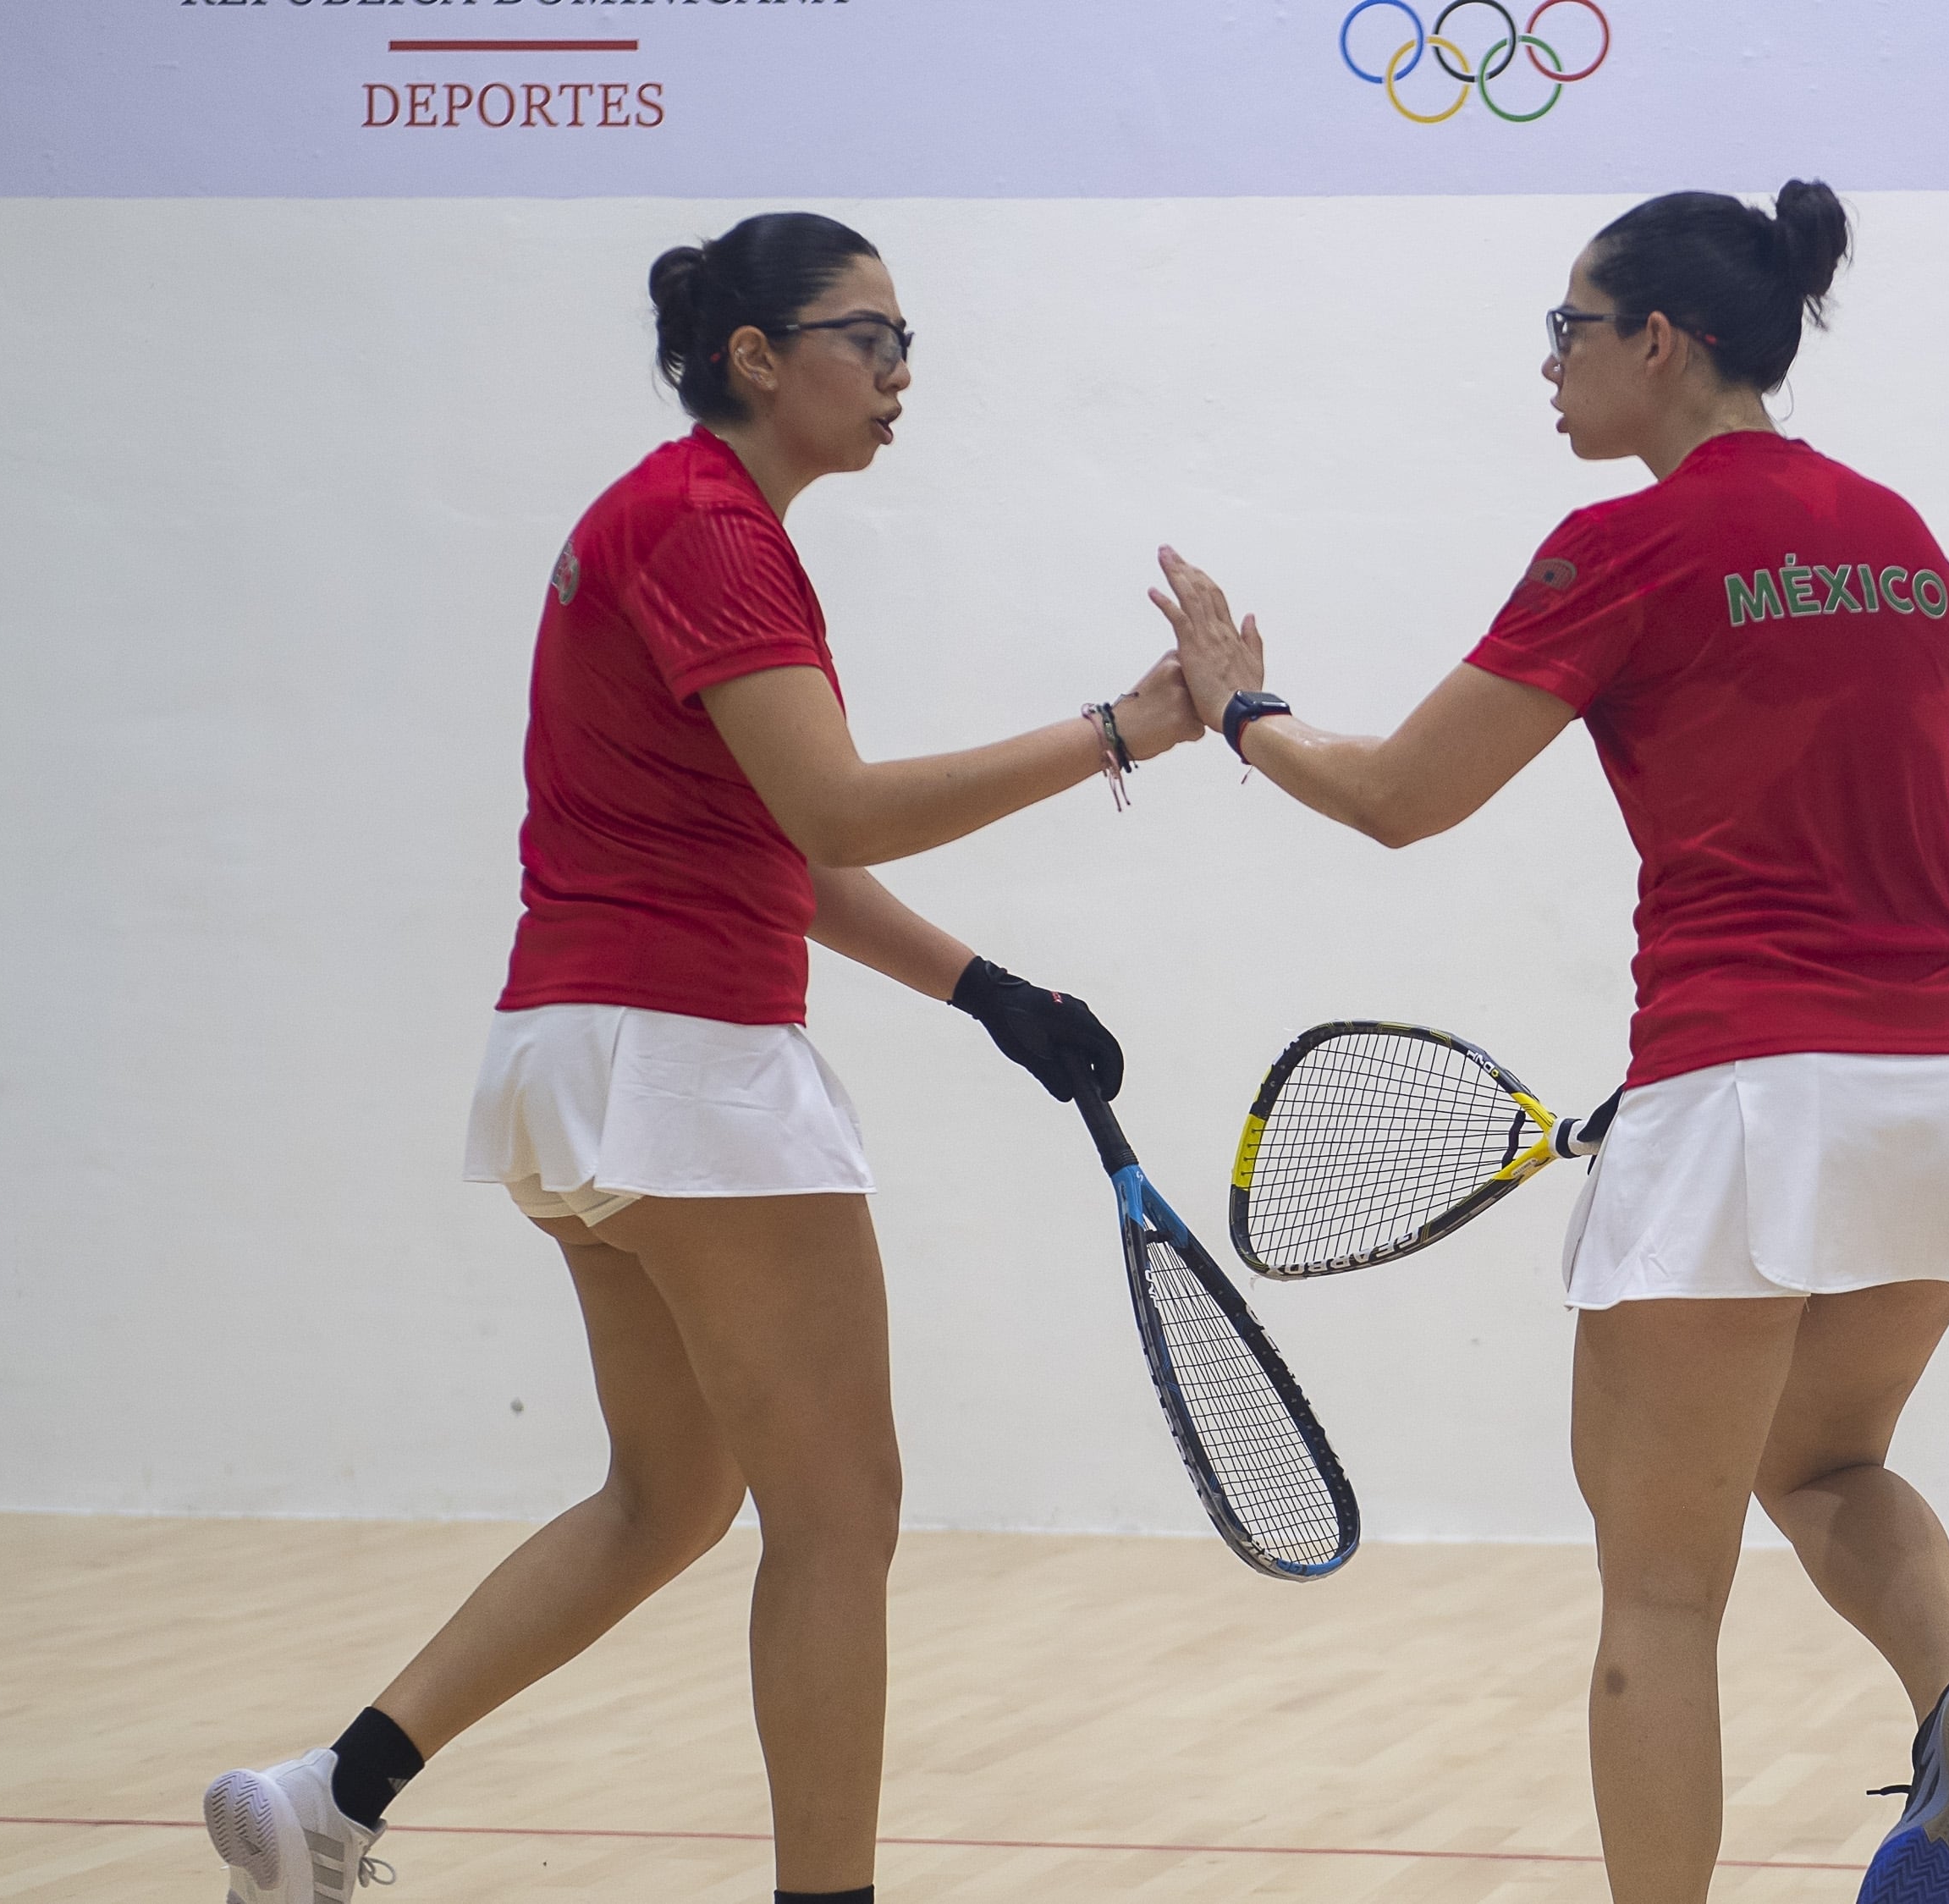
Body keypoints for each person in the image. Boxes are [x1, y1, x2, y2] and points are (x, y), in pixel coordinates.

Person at [202, 210, 1204, 1904]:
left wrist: (992, 996)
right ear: (757, 356)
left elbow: (778, 856)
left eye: (908, 347)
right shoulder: (712, 531)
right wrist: (1124, 729)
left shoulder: (666, 523)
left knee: (669, 1498)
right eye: (865, 339)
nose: (899, 377)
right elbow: (837, 805)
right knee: (840, 1512)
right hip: (684, 1071)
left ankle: (328, 1795)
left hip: (575, 1064)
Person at [1144, 185, 1949, 1904]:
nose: (1546, 367)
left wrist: (1236, 712)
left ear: (1663, 339)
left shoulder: (1627, 546)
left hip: (1738, 1092)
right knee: (1824, 1457)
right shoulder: (1905, 543)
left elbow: (1403, 798)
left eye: (1568, 328)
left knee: (1656, 1592)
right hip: (1941, 1091)